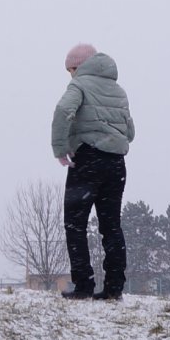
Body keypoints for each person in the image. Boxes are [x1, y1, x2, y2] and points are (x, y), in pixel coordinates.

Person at [50, 43, 134, 299]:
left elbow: (63, 110)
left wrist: (60, 148)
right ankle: (114, 288)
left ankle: (84, 285)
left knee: (75, 223)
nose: (70, 75)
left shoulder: (79, 85)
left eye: (71, 70)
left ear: (79, 66)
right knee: (111, 226)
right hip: (116, 163)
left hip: (88, 159)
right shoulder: (118, 90)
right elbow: (130, 132)